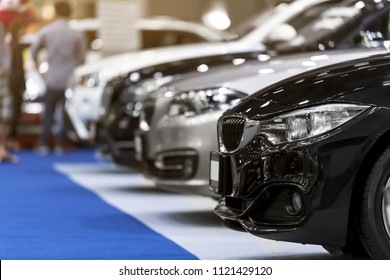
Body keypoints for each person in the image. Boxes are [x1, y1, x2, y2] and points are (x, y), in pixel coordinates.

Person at [31, 0, 86, 154]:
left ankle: (43, 143)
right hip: (69, 79)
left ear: (55, 12)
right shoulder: (76, 33)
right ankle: (61, 144)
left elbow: (33, 51)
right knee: (65, 112)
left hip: (52, 78)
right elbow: (82, 59)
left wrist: (40, 72)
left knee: (48, 112)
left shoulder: (47, 31)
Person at [0, 22, 17, 162]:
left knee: (4, 116)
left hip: (2, 77)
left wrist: (6, 67)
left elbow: (5, 48)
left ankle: (2, 149)